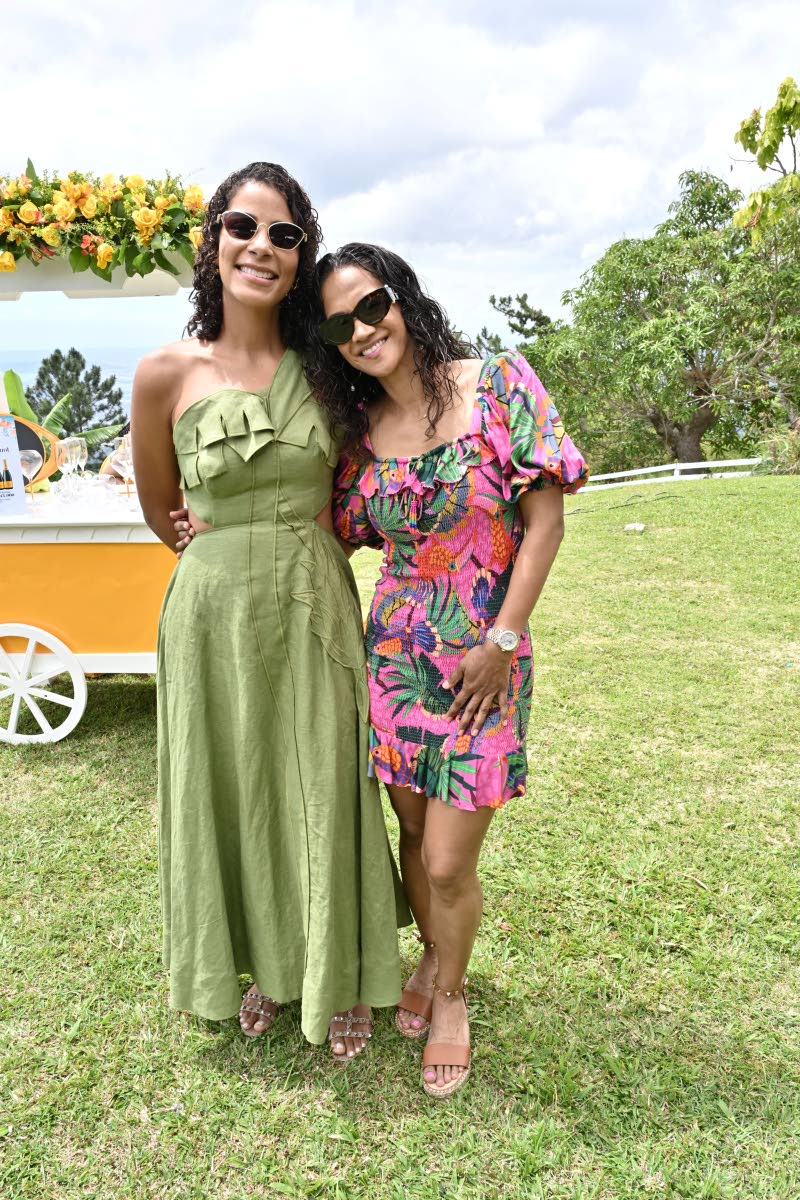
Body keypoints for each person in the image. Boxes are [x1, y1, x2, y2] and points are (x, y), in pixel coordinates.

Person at [132, 167, 408, 1062]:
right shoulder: (164, 372)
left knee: (328, 781)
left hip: (315, 600)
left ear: (300, 259)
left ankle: (347, 970)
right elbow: (159, 507)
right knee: (239, 784)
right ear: (214, 239)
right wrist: (209, 542)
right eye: (244, 226)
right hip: (213, 613)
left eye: (285, 235)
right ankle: (261, 967)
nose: (262, 245)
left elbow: (399, 434)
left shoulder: (327, 366)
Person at [305, 244, 588, 1097]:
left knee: (447, 863)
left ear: (404, 298)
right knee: (414, 838)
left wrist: (502, 642)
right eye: (337, 324)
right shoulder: (355, 438)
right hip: (393, 667)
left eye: (372, 304)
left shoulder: (500, 384)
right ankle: (431, 955)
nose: (361, 329)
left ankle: (454, 996)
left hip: (482, 670)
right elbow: (317, 527)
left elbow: (544, 526)